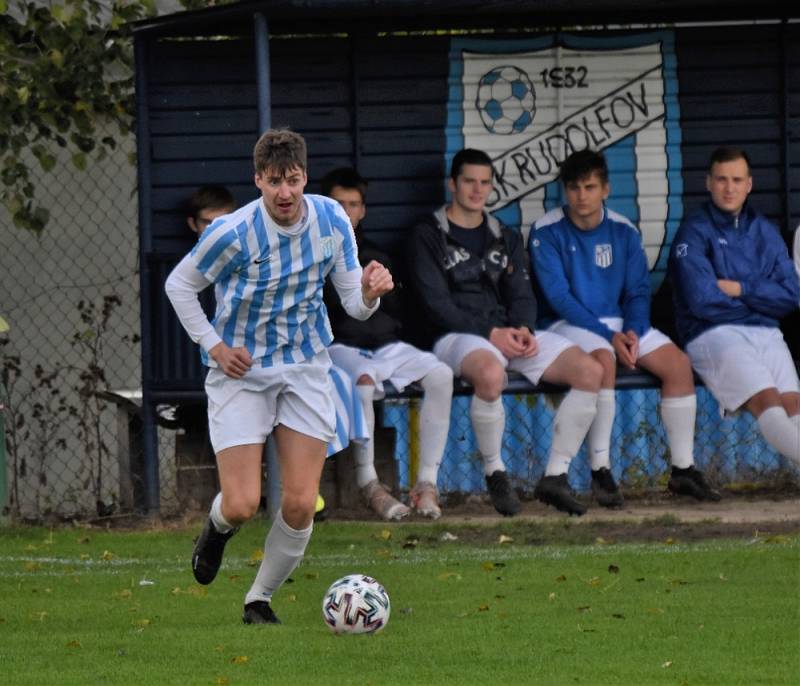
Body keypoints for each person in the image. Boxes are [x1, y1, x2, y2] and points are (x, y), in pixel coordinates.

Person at [164, 129, 393, 625]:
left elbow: (354, 302)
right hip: (242, 371)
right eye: (273, 182)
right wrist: (215, 346)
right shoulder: (232, 233)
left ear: (305, 178)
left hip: (306, 364)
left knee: (298, 504)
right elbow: (179, 285)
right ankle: (217, 529)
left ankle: (258, 600)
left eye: (292, 180)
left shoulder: (332, 218)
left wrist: (372, 292)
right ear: (258, 181)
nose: (284, 192)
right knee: (244, 503)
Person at [408, 148, 604, 517]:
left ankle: (555, 476)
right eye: (469, 181)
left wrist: (525, 329)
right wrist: (491, 332)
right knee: (490, 373)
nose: (477, 189)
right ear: (453, 184)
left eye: (484, 182)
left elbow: (522, 292)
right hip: (454, 335)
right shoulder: (428, 233)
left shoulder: (504, 234)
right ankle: (496, 472)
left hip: (506, 331)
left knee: (590, 370)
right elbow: (436, 303)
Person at [529, 149, 720, 503]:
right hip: (566, 323)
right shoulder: (546, 230)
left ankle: (682, 470)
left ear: (605, 189)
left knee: (677, 365)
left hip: (620, 324)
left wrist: (632, 331)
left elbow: (637, 291)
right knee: (604, 358)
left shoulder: (624, 231)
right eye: (573, 188)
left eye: (589, 187)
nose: (581, 196)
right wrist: (610, 337)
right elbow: (559, 297)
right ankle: (601, 470)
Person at [321, 167, 453, 521]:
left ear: (363, 210)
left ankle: (426, 484)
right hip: (341, 350)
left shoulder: (378, 255)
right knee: (362, 380)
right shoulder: (314, 255)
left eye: (353, 204)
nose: (347, 212)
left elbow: (400, 310)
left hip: (386, 346)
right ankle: (370, 485)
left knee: (441, 374)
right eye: (338, 204)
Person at [669, 146, 800, 469]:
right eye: (722, 179)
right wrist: (761, 302)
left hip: (766, 331)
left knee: (794, 405)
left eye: (737, 180)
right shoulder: (694, 231)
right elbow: (701, 300)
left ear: (749, 185)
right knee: (767, 402)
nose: (730, 188)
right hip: (712, 333)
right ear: (709, 183)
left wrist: (741, 289)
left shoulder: (764, 231)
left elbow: (791, 295)